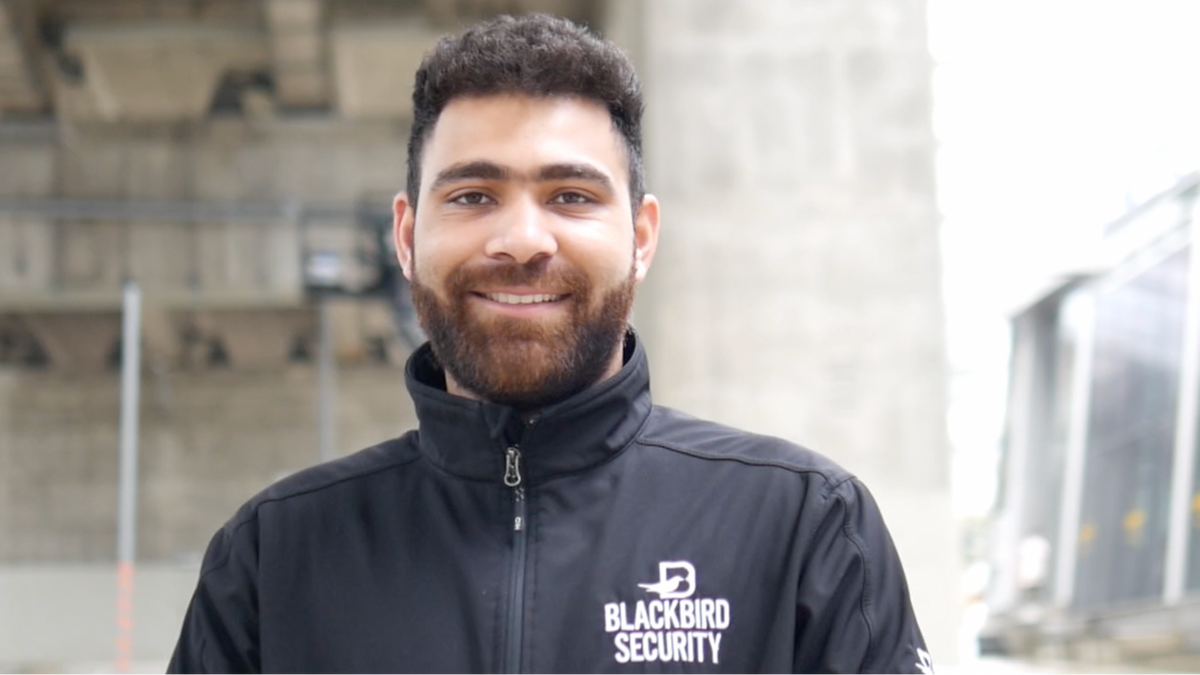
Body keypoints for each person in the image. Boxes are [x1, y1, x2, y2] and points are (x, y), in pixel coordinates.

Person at [168, 13, 933, 674]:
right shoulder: (274, 559)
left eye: (570, 195)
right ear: (406, 236)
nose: (523, 239)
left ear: (640, 236)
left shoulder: (804, 527)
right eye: (473, 195)